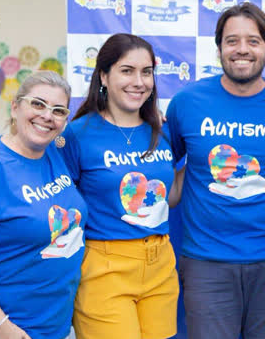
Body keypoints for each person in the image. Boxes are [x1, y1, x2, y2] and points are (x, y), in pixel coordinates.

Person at [166, 2, 265, 339]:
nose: (242, 49)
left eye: (253, 41)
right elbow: (162, 168)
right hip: (206, 263)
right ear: (219, 49)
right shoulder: (187, 102)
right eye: (232, 41)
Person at [0, 71, 87, 339]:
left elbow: (103, 127)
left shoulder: (57, 152)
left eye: (58, 110)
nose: (47, 116)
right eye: (38, 104)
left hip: (58, 324)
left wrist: (149, 120)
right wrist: (0, 326)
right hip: (11, 328)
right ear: (15, 106)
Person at [58, 33, 183, 339]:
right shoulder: (76, 134)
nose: (139, 82)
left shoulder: (163, 131)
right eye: (127, 71)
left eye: (146, 72)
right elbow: (62, 205)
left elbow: (170, 198)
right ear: (103, 75)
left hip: (161, 266)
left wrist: (200, 161)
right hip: (104, 268)